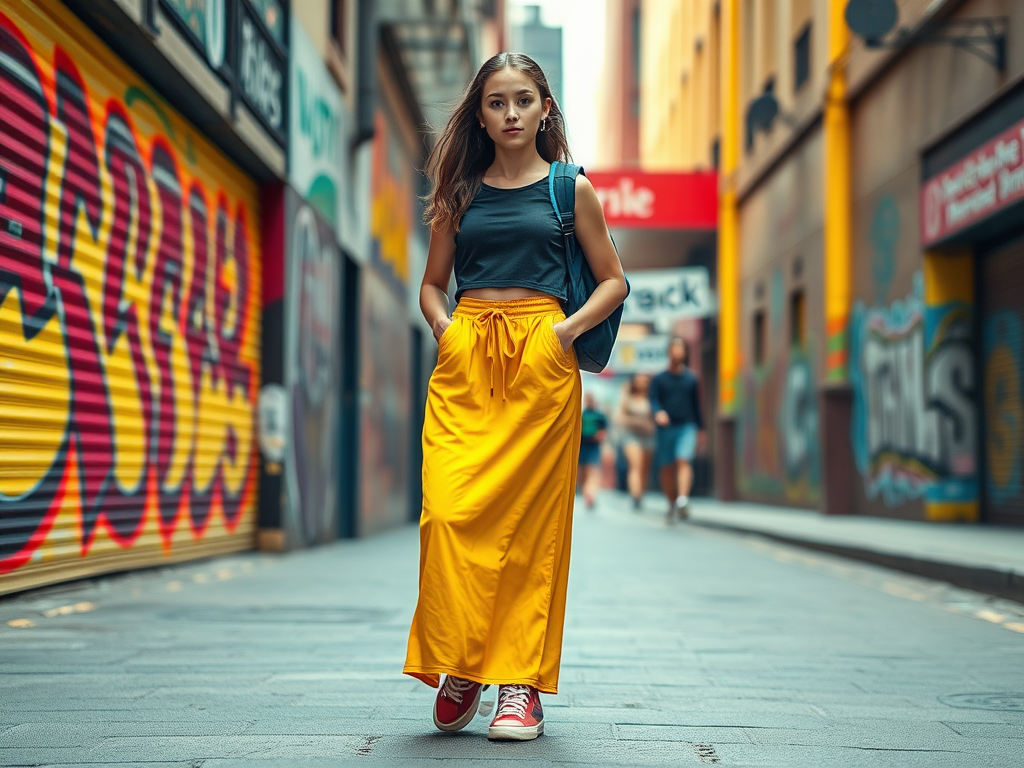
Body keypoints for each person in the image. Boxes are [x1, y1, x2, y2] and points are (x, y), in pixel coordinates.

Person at [404, 52, 628, 742]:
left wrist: (562, 333)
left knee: (531, 532)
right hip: (469, 359)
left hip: (540, 358)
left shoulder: (570, 191)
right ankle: (464, 662)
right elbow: (433, 283)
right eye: (497, 102)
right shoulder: (460, 192)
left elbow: (613, 281)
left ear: (545, 109)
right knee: (448, 516)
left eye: (523, 101)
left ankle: (520, 686)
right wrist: (446, 330)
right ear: (480, 112)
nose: (510, 114)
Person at [650, 338, 704, 522]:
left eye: (681, 349)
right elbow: (653, 402)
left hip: (687, 426)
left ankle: (682, 500)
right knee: (667, 468)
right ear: (669, 352)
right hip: (666, 429)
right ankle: (671, 503)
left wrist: (701, 430)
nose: (678, 352)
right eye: (675, 348)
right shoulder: (659, 379)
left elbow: (697, 406)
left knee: (683, 460)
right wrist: (658, 412)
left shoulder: (691, 379)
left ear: (685, 354)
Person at [616, 373, 656, 510]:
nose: (641, 383)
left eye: (645, 380)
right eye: (638, 380)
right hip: (631, 436)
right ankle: (635, 496)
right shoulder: (628, 397)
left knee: (645, 469)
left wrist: (651, 425)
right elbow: (620, 417)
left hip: (648, 436)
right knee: (635, 466)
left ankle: (641, 494)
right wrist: (638, 423)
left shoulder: (652, 398)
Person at [578, 392, 608, 509]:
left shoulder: (599, 416)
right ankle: (584, 489)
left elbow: (604, 430)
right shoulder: (582, 414)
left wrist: (600, 435)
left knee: (592, 471)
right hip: (582, 446)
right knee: (581, 472)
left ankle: (589, 494)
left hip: (593, 447)